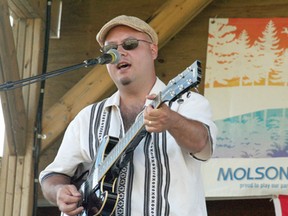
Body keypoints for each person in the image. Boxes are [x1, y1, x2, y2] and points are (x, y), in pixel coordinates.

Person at [39, 15, 217, 216]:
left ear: (153, 50)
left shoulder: (186, 103)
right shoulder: (87, 118)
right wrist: (60, 191)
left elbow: (203, 145)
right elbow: (52, 176)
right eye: (110, 49)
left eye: (130, 44)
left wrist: (172, 121)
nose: (119, 53)